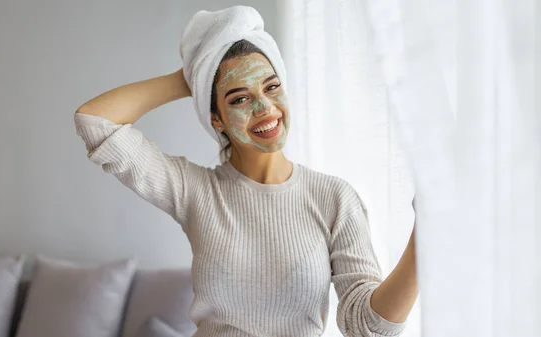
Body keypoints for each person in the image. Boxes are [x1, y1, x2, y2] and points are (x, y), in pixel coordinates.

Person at [74, 6, 417, 337]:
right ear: (217, 119)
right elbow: (95, 121)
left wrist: (424, 243)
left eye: (271, 86)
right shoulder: (195, 190)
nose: (265, 108)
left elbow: (368, 329)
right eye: (239, 98)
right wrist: (193, 73)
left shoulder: (334, 198)